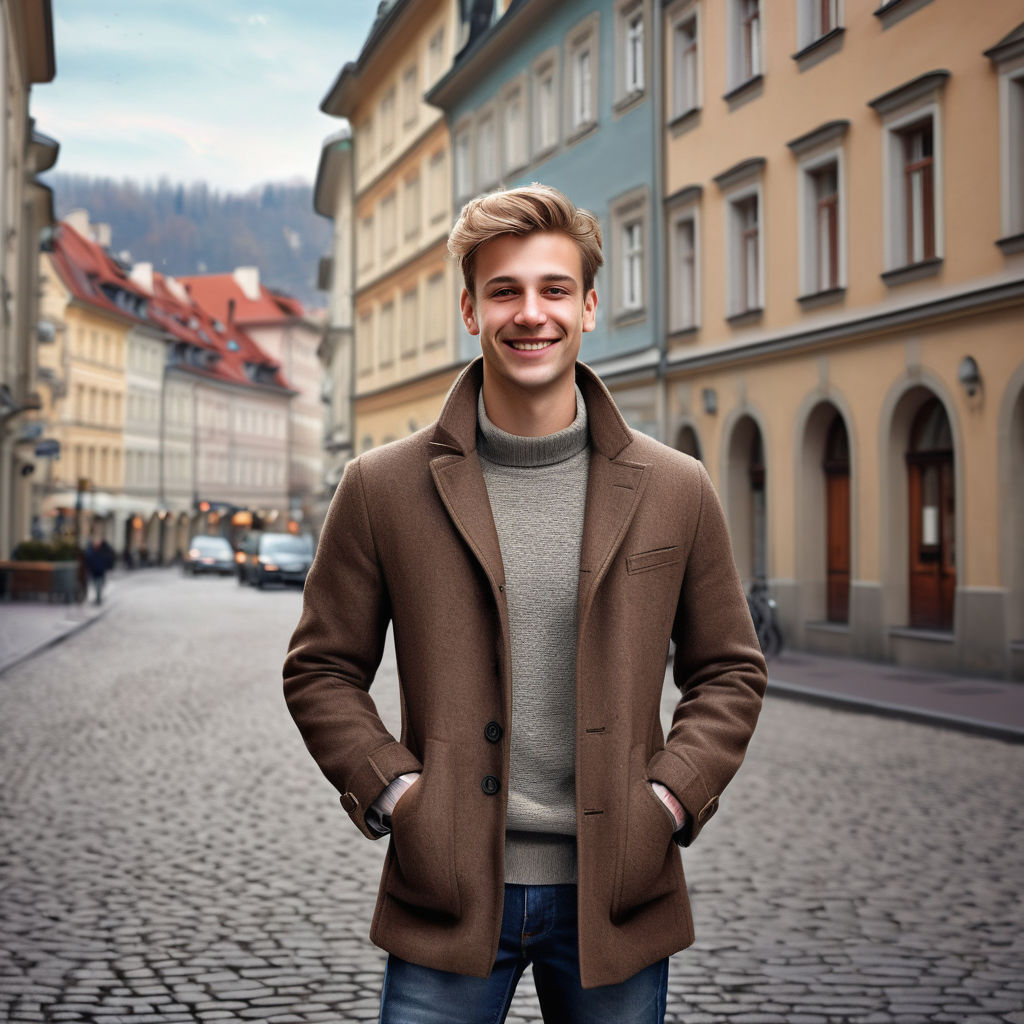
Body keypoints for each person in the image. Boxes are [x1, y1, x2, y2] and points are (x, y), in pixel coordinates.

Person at [283, 184, 767, 1023]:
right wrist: (400, 797)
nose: (529, 314)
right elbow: (321, 669)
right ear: (471, 310)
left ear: (588, 306)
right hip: (449, 895)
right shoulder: (380, 487)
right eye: (504, 291)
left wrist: (669, 800)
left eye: (552, 290)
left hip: (616, 895)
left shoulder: (676, 488)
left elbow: (728, 670)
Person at [82, 534, 114, 605]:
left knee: (100, 584)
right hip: (93, 570)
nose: (97, 543)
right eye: (95, 541)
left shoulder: (104, 549)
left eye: (98, 541)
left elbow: (109, 557)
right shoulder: (90, 550)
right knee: (95, 584)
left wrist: (108, 565)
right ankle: (98, 598)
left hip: (101, 570)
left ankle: (98, 598)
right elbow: (87, 558)